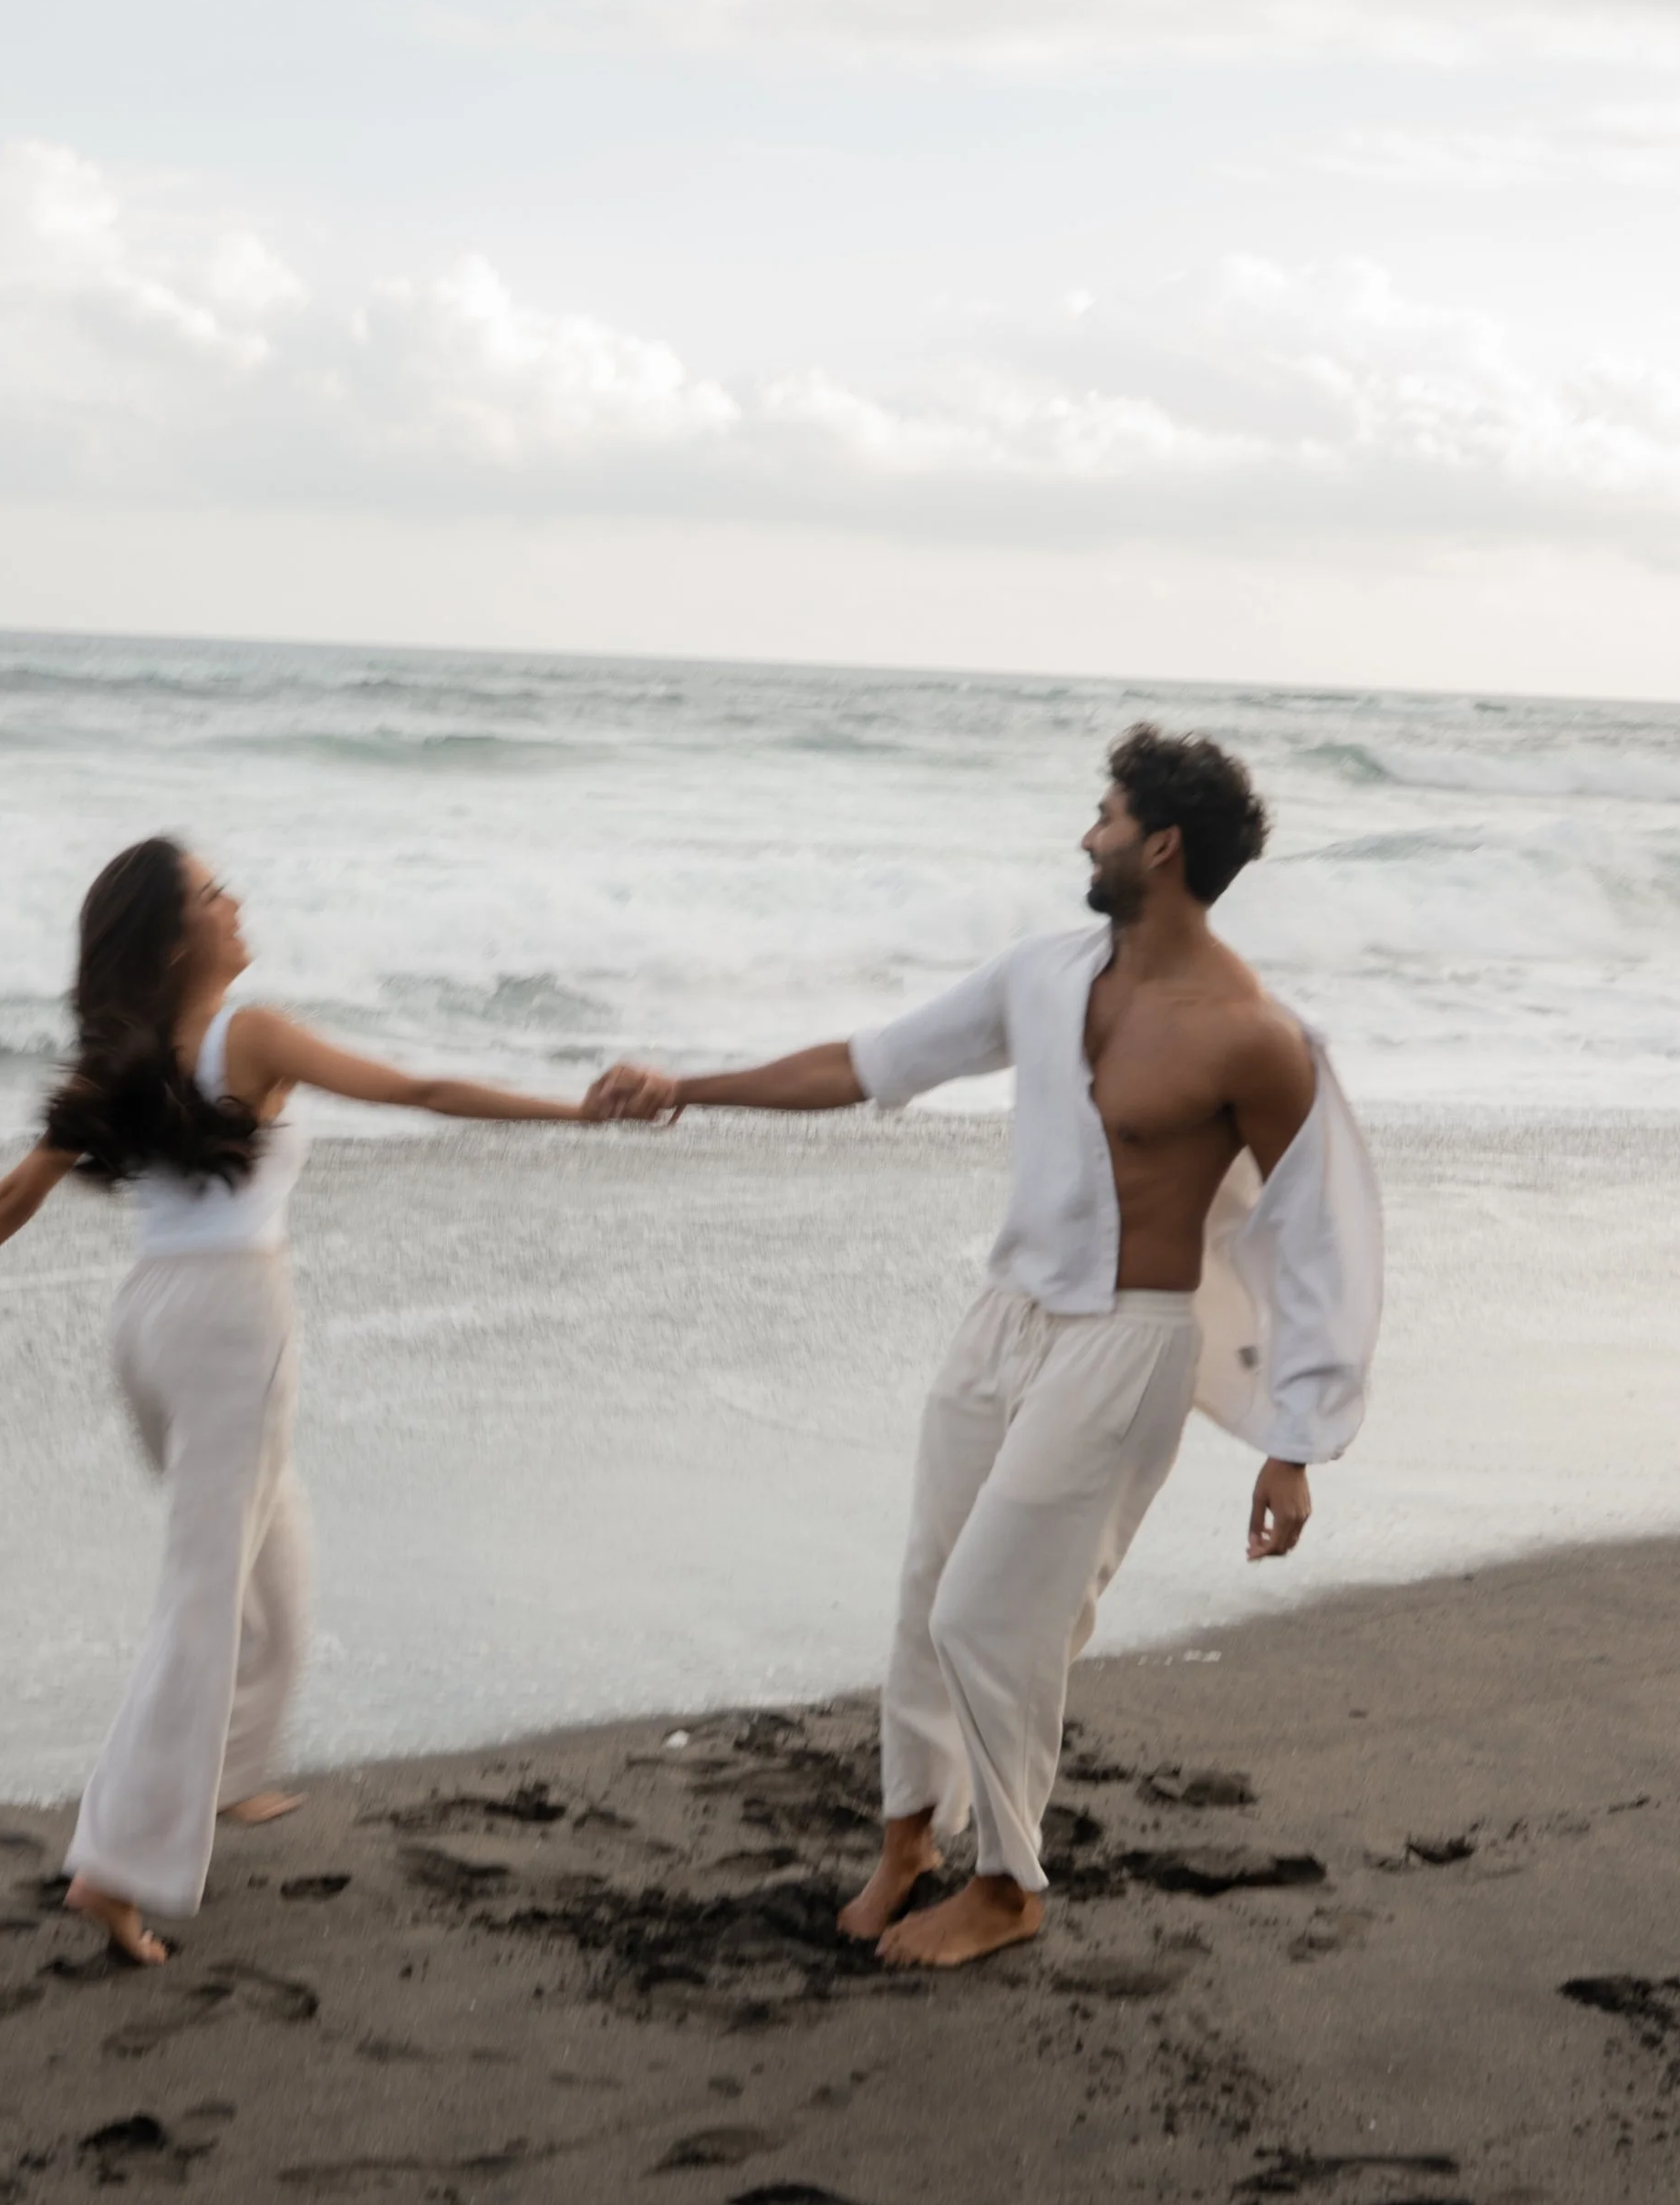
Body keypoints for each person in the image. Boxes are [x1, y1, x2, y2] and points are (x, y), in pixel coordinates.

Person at [585, 724, 1382, 1971]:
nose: (1087, 831)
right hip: (1003, 1321)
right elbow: (869, 1063)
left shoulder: (1253, 1038)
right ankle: (911, 1832)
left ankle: (1009, 1882)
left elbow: (1321, 1238)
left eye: (1106, 813)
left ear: (1161, 845)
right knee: (926, 1595)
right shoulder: (1045, 974)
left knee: (992, 1615)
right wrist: (687, 1082)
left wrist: (1296, 1441)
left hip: (1127, 1342)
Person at [0, 837, 596, 1967]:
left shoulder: (135, 1055)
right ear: (172, 935)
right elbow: (420, 1090)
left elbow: (17, 1193)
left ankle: (219, 1775)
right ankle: (114, 1867)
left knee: (273, 1585)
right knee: (204, 1606)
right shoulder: (248, 1035)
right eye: (210, 893)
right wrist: (578, 1114)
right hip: (232, 1328)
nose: (235, 900)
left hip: (149, 1326)